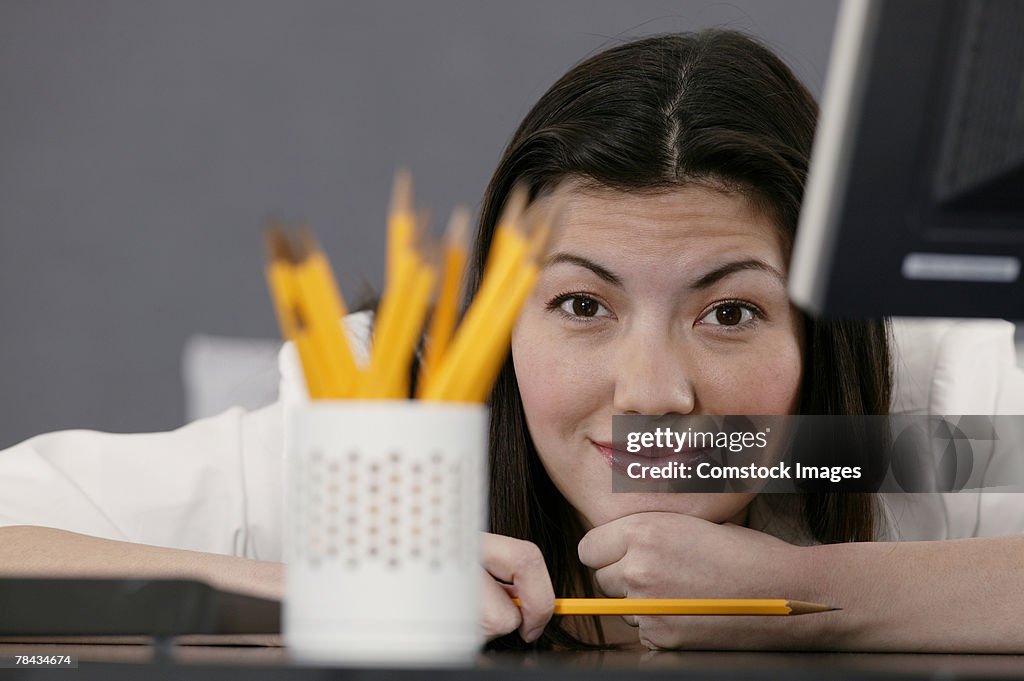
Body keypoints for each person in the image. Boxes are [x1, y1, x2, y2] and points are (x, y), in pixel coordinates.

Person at [2, 30, 1023, 653]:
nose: (654, 395)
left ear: (822, 328)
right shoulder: (389, 429)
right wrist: (355, 589)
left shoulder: (926, 399)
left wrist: (815, 601)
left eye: (730, 313)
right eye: (582, 305)